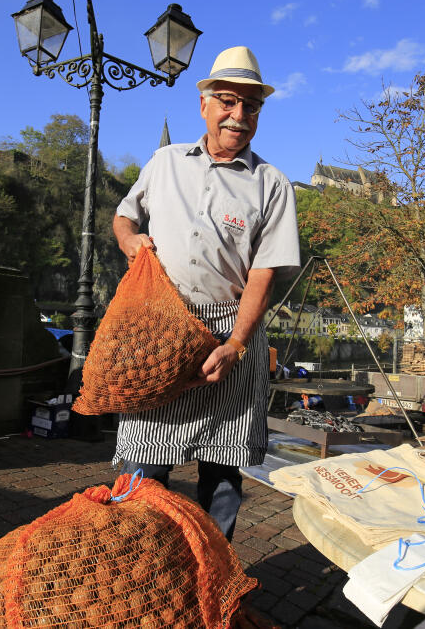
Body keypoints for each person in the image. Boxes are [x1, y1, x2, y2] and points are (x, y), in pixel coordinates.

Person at [111, 46, 301, 539]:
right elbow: (125, 215)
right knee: (143, 462)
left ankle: (210, 572)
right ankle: (136, 563)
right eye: (227, 101)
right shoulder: (165, 162)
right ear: (205, 104)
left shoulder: (272, 184)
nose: (239, 116)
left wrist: (236, 345)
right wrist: (130, 239)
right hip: (161, 332)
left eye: (251, 106)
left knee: (221, 473)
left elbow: (263, 274)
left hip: (230, 334)